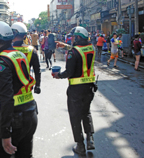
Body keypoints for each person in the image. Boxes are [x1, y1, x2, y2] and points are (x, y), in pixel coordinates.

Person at [0, 21, 38, 158]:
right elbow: (17, 87)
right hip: (30, 114)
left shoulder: (1, 61)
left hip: (15, 119)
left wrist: (5, 133)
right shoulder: (17, 54)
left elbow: (6, 96)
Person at [54, 26, 96, 156]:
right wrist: (65, 46)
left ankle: (80, 146)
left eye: (73, 37)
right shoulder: (92, 48)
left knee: (75, 117)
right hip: (89, 88)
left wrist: (58, 75)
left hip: (76, 90)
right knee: (86, 113)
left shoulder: (73, 53)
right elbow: (78, 50)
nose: (72, 39)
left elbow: (69, 72)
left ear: (78, 37)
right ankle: (90, 139)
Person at [11, 22, 41, 94]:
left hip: (9, 89)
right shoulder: (32, 50)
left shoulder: (5, 50)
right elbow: (37, 71)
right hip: (26, 89)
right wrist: (37, 86)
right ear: (25, 36)